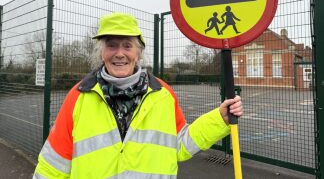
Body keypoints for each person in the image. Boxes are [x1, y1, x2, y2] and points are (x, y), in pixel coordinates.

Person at [33, 12, 243, 179]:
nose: (119, 53)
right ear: (101, 52)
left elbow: (179, 145)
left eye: (127, 45)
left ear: (138, 52)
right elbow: (53, 164)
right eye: (111, 45)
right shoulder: (78, 96)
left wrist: (219, 120)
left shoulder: (162, 94)